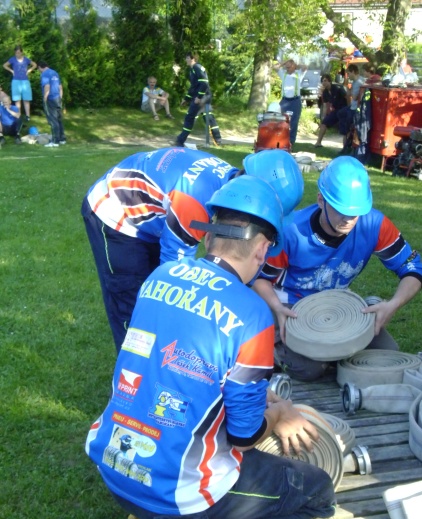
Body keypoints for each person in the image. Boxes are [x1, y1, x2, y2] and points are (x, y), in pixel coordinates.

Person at [85, 174, 336, 519]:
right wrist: (281, 414)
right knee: (318, 491)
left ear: (208, 237)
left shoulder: (158, 277)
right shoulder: (253, 315)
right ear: (262, 249)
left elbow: (182, 369)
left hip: (115, 465)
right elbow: (244, 437)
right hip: (177, 495)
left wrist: (260, 395)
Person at [81, 147, 304, 352]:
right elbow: (173, 278)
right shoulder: (193, 202)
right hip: (115, 211)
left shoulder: (233, 186)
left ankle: (157, 351)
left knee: (153, 294)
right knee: (132, 298)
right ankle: (135, 368)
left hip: (156, 213)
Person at [254, 156, 422, 382]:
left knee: (388, 354)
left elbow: (413, 267)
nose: (349, 219)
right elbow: (258, 278)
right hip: (291, 308)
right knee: (310, 369)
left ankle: (352, 326)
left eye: (356, 212)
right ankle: (271, 344)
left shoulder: (374, 224)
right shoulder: (291, 231)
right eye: (340, 210)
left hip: (338, 307)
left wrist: (393, 304)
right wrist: (276, 308)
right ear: (321, 200)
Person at [175, 52, 222, 147]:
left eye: (187, 58)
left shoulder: (196, 67)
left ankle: (180, 141)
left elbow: (204, 83)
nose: (186, 60)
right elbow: (194, 87)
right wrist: (186, 99)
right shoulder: (193, 69)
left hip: (202, 98)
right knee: (209, 117)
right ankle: (218, 140)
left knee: (190, 117)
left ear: (192, 59)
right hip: (206, 96)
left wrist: (199, 97)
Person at [273, 58, 307, 146]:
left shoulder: (298, 74)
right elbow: (275, 67)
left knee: (294, 122)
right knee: (280, 119)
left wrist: (296, 64)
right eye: (287, 66)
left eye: (290, 66)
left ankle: (290, 142)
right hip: (285, 100)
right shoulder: (283, 74)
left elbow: (305, 67)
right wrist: (284, 63)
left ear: (293, 66)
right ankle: (279, 139)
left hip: (295, 101)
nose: (287, 68)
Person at [2, 45, 37, 121]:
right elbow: (4, 65)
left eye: (18, 53)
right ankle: (19, 115)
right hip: (16, 81)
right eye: (16, 53)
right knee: (17, 99)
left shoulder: (26, 59)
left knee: (26, 99)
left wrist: (29, 70)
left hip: (25, 81)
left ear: (21, 52)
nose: (17, 54)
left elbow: (34, 64)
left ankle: (28, 116)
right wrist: (11, 71)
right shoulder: (12, 59)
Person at [336, 64, 365, 154]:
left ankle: (346, 144)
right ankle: (345, 137)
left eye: (348, 73)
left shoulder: (359, 82)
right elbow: (349, 94)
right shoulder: (356, 81)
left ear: (353, 72)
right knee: (340, 113)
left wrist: (350, 91)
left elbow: (355, 97)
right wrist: (347, 87)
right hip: (352, 106)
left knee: (348, 126)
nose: (348, 76)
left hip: (355, 108)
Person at [38, 61, 66, 148]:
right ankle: (62, 139)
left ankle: (55, 141)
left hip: (50, 99)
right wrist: (60, 98)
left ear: (40, 67)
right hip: (57, 98)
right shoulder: (55, 73)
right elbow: (60, 87)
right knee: (59, 119)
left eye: (38, 69)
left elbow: (47, 86)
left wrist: (45, 98)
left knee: (53, 120)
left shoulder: (44, 74)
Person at [314, 74, 347, 148]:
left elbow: (347, 96)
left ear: (329, 81)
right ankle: (318, 143)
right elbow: (326, 106)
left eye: (325, 81)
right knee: (324, 123)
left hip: (343, 109)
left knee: (344, 128)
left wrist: (349, 108)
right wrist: (324, 118)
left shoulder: (337, 88)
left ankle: (345, 147)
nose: (324, 83)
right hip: (336, 110)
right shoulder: (325, 92)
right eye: (322, 81)